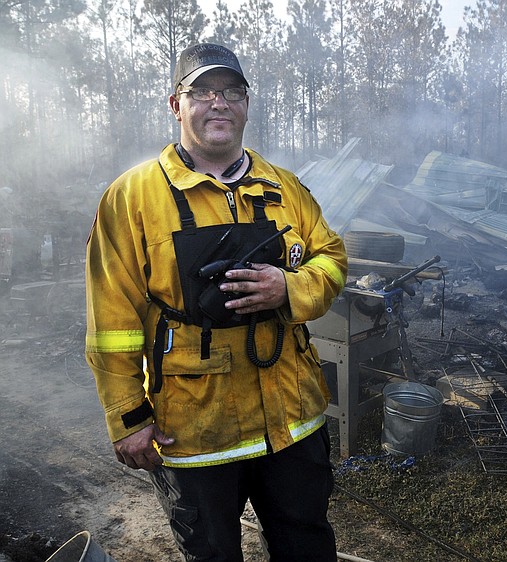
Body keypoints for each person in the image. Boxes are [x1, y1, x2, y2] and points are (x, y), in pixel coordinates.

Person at [85, 42, 346, 561]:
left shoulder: (284, 186)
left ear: (246, 104)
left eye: (231, 92)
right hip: (194, 432)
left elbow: (332, 258)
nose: (218, 103)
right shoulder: (132, 197)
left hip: (292, 423)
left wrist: (289, 288)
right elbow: (111, 321)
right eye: (202, 91)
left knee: (307, 547)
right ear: (175, 105)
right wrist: (128, 418)